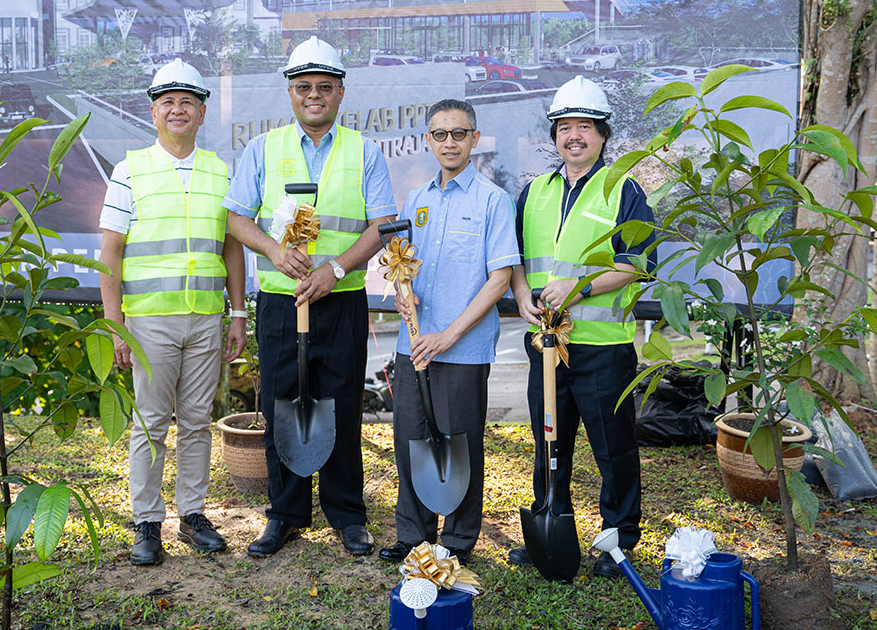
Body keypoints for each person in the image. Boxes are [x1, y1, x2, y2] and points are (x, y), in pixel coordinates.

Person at [223, 36, 396, 558]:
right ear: (290, 93)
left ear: (340, 92)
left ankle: (347, 514)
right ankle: (285, 514)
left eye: (324, 86)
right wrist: (275, 251)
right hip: (282, 304)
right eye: (303, 87)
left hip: (341, 302)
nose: (313, 95)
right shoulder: (263, 148)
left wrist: (337, 268)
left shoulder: (364, 151)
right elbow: (235, 218)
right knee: (282, 406)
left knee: (341, 408)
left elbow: (382, 224)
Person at [507, 76, 656, 579]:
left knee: (614, 448)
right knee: (549, 443)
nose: (574, 136)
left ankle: (620, 539)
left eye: (585, 127)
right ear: (554, 136)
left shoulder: (623, 190)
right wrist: (522, 296)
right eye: (564, 127)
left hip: (602, 348)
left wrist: (580, 287)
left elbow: (638, 264)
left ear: (603, 134)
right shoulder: (534, 192)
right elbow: (515, 260)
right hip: (547, 346)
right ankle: (551, 522)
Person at [99, 59, 247, 566]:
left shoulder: (220, 172)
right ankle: (146, 521)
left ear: (202, 113)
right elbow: (111, 253)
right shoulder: (129, 171)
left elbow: (231, 247)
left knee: (198, 421)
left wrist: (238, 313)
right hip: (149, 322)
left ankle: (192, 515)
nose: (177, 109)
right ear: (153, 112)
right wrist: (115, 326)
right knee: (151, 423)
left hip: (205, 318)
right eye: (168, 102)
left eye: (188, 102)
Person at [377, 99, 519, 566]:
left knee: (460, 444)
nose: (450, 143)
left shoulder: (493, 201)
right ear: (428, 140)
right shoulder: (416, 200)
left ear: (474, 139)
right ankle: (413, 535)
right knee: (411, 440)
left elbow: (499, 279)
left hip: (463, 348)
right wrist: (403, 294)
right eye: (440, 134)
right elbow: (402, 266)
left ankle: (456, 540)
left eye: (459, 134)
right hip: (414, 344)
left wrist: (449, 335)